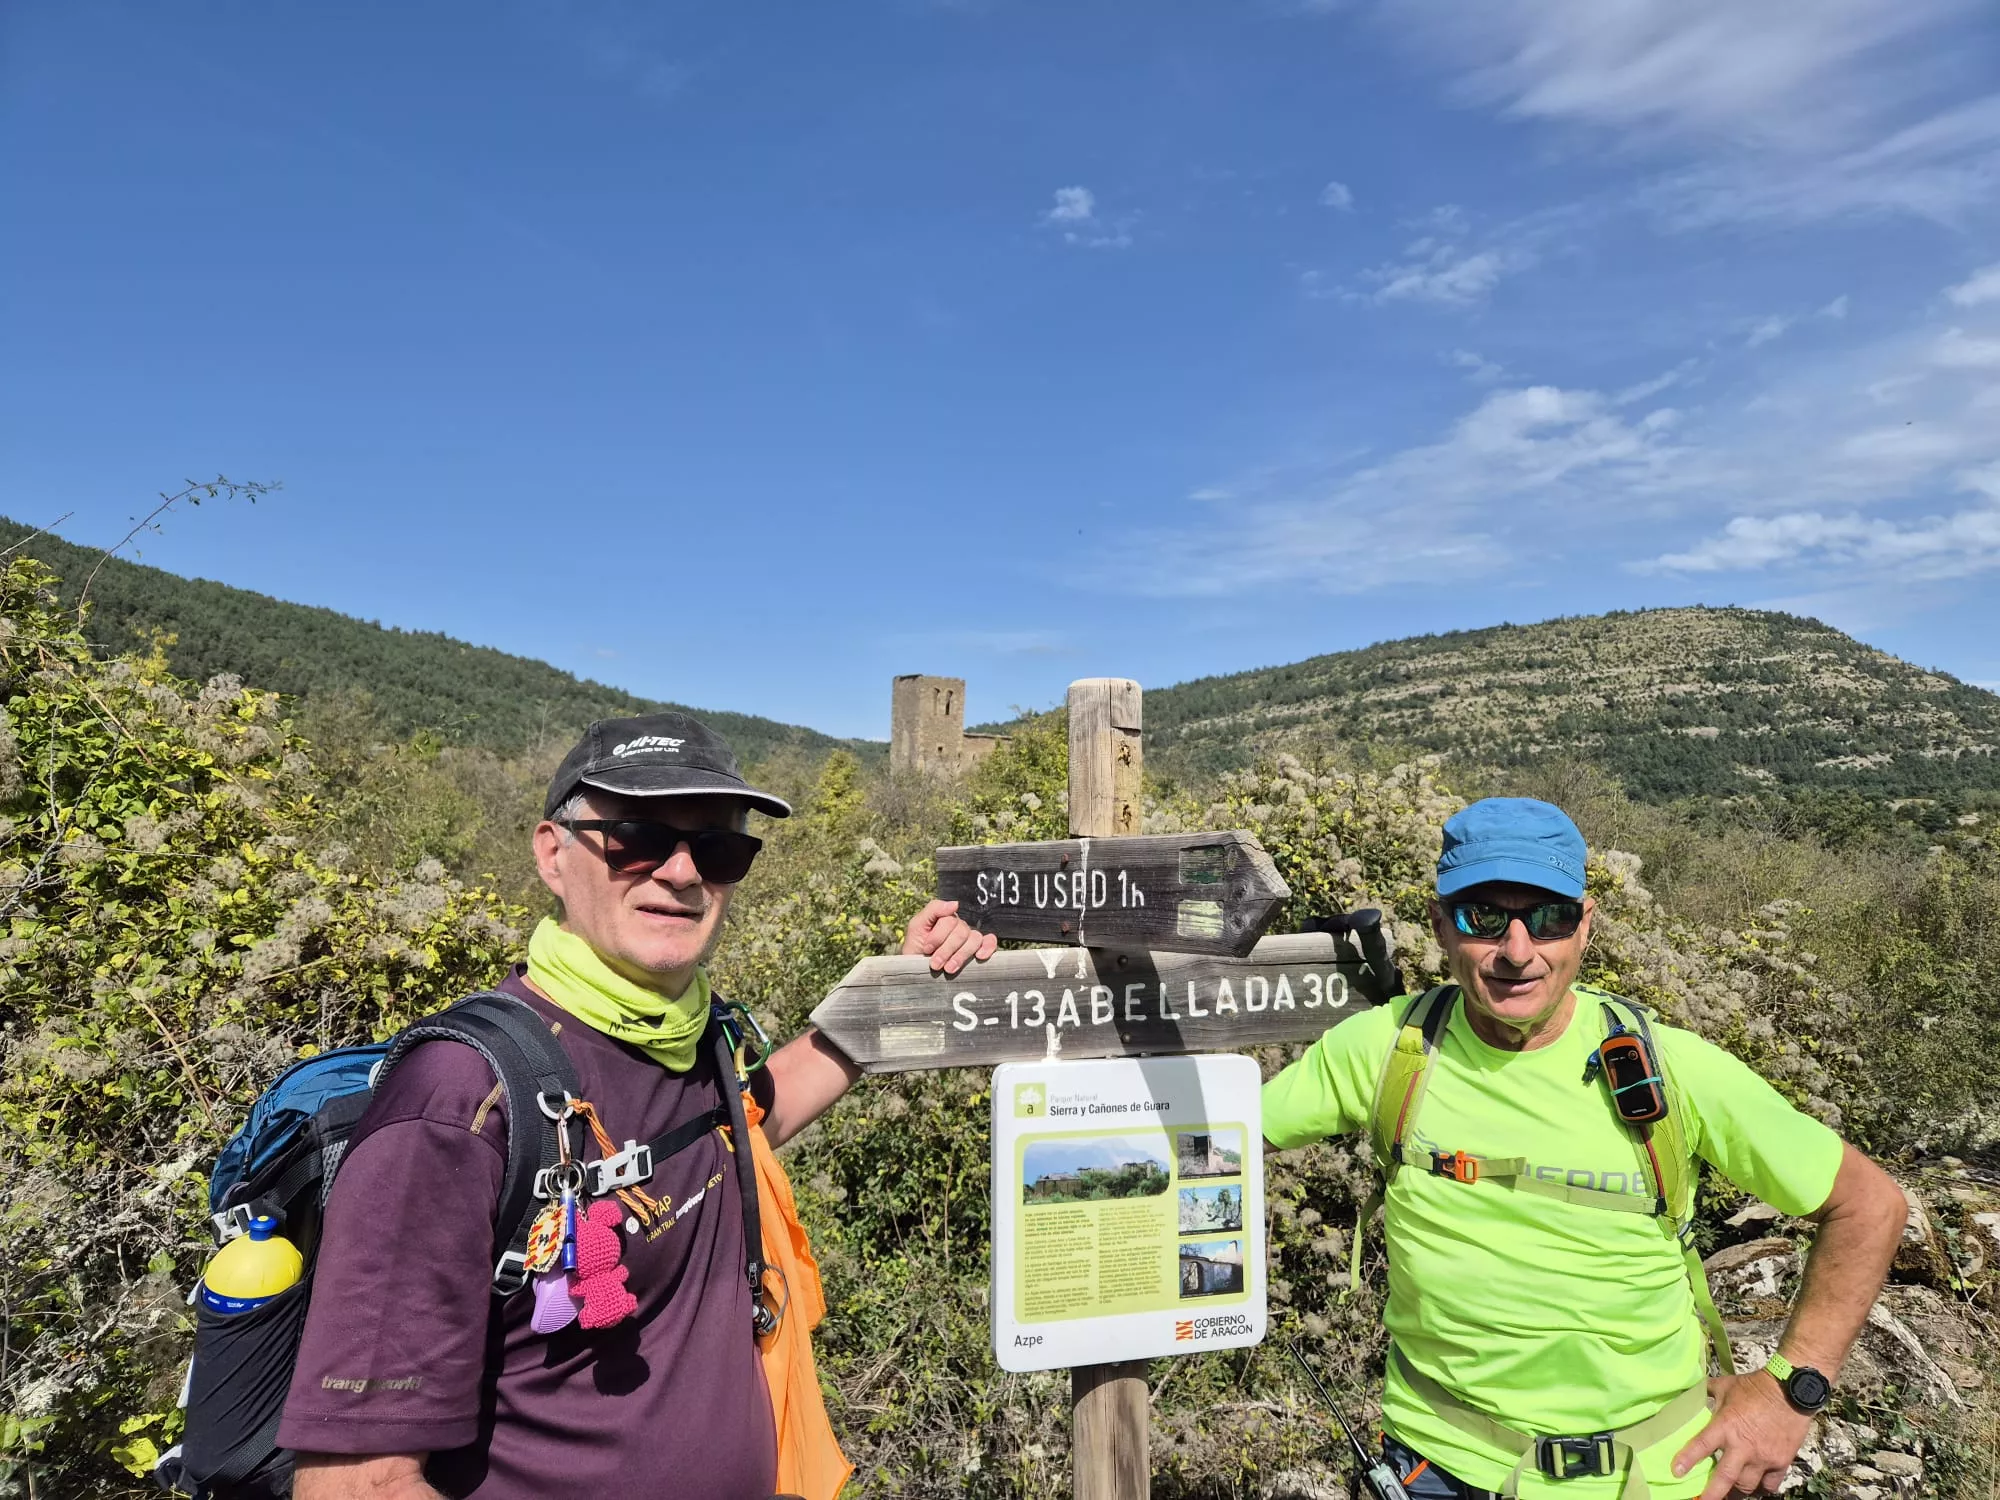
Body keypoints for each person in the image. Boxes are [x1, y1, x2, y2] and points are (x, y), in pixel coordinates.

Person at [278, 712, 995, 1500]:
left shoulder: (696, 1037)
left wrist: (899, 989)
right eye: (637, 838)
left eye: (719, 848)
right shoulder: (458, 1099)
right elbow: (357, 1481)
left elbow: (749, 1128)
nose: (683, 873)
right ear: (553, 853)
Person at [1264, 798, 1908, 1500]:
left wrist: (1792, 1391)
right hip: (1438, 1466)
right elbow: (1218, 1135)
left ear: (1585, 926)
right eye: (1485, 917)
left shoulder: (1670, 1066)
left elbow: (1869, 1204)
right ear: (1440, 923)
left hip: (1652, 1472)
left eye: (1547, 918)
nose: (1517, 950)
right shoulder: (1389, 1049)